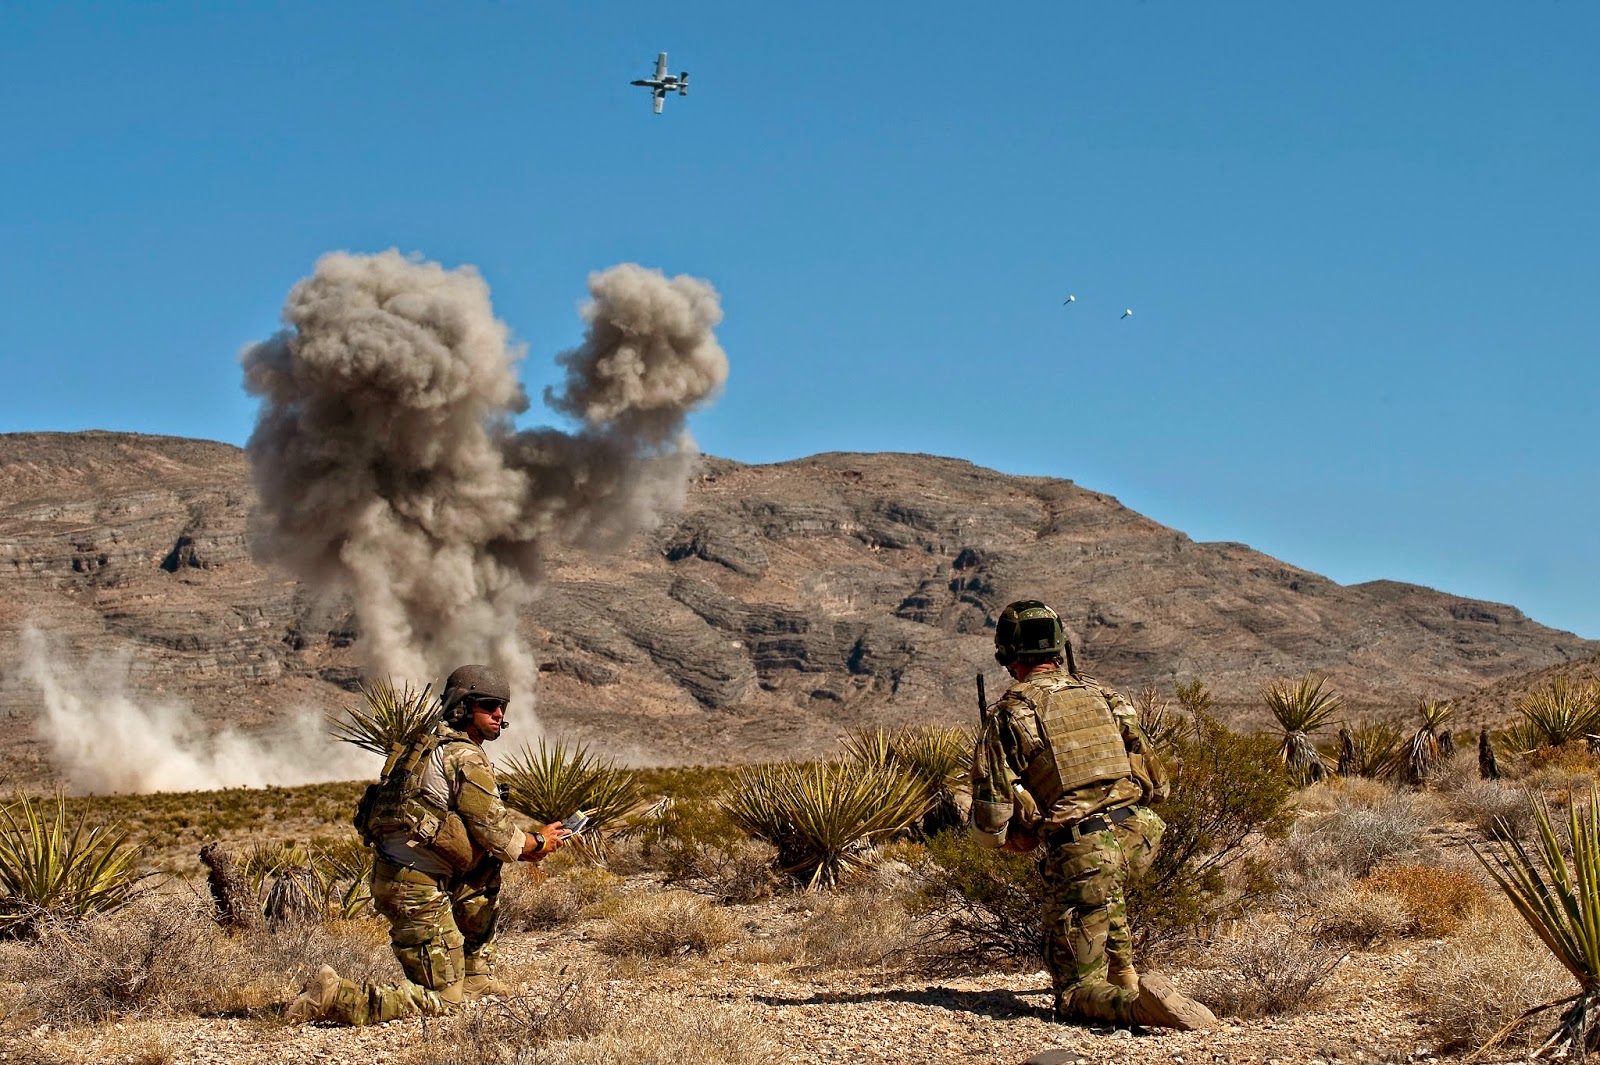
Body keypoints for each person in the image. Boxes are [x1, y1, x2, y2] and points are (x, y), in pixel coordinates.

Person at [969, 600, 1214, 1030]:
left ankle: (1138, 1010)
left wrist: (1022, 827)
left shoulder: (1009, 715)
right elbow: (1160, 785)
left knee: (1072, 994)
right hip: (1140, 838)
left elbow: (990, 827)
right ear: (1060, 647)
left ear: (1006, 656)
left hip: (1084, 853)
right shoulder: (1105, 695)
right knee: (1104, 894)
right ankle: (1129, 980)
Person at [288, 664, 571, 1025]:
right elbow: (497, 834)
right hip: (414, 888)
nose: (499, 714)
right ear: (462, 707)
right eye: (488, 704)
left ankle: (474, 978)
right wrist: (537, 841)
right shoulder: (463, 756)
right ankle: (335, 996)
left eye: (502, 706)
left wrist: (525, 845)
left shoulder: (424, 747)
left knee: (484, 868)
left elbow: (484, 842)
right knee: (443, 1002)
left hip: (406, 878)